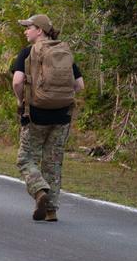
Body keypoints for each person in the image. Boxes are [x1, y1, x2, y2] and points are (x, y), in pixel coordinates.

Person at [11, 14, 84, 222]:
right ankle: (51, 210)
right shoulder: (63, 52)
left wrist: (21, 102)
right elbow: (80, 85)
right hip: (62, 115)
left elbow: (17, 82)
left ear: (40, 30)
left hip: (36, 114)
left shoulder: (27, 53)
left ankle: (39, 189)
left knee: (25, 158)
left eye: (29, 27)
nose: (26, 31)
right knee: (53, 161)